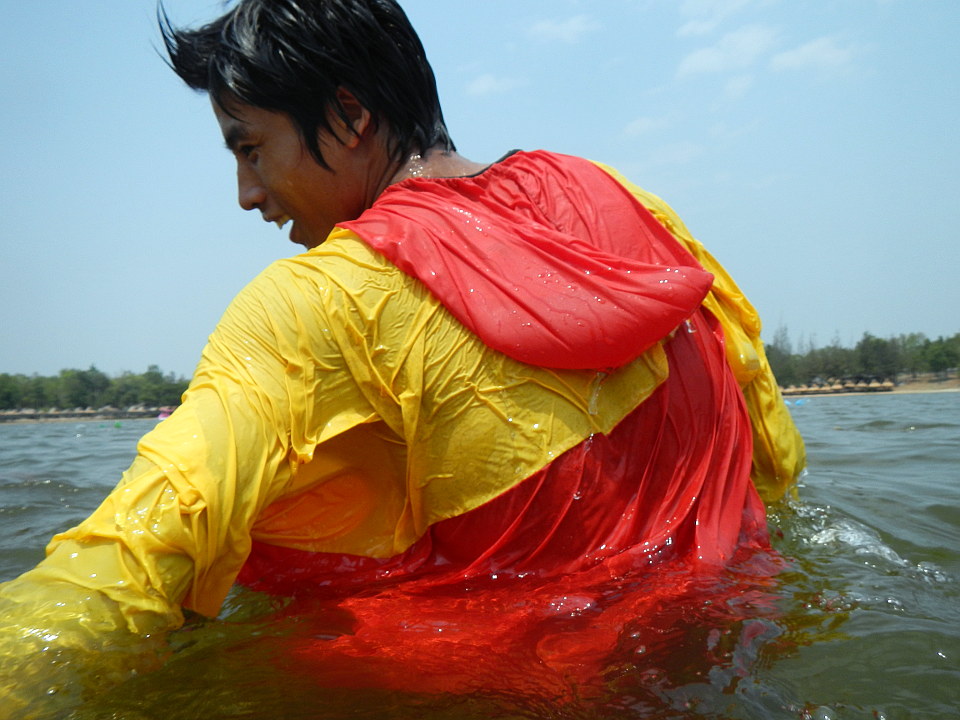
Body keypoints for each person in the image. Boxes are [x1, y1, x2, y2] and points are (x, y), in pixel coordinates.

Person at [0, 0, 805, 713]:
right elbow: (769, 444)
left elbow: (137, 551)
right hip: (731, 650)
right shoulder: (622, 199)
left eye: (251, 149)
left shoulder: (316, 303)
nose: (247, 193)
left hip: (516, 692)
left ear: (348, 114)